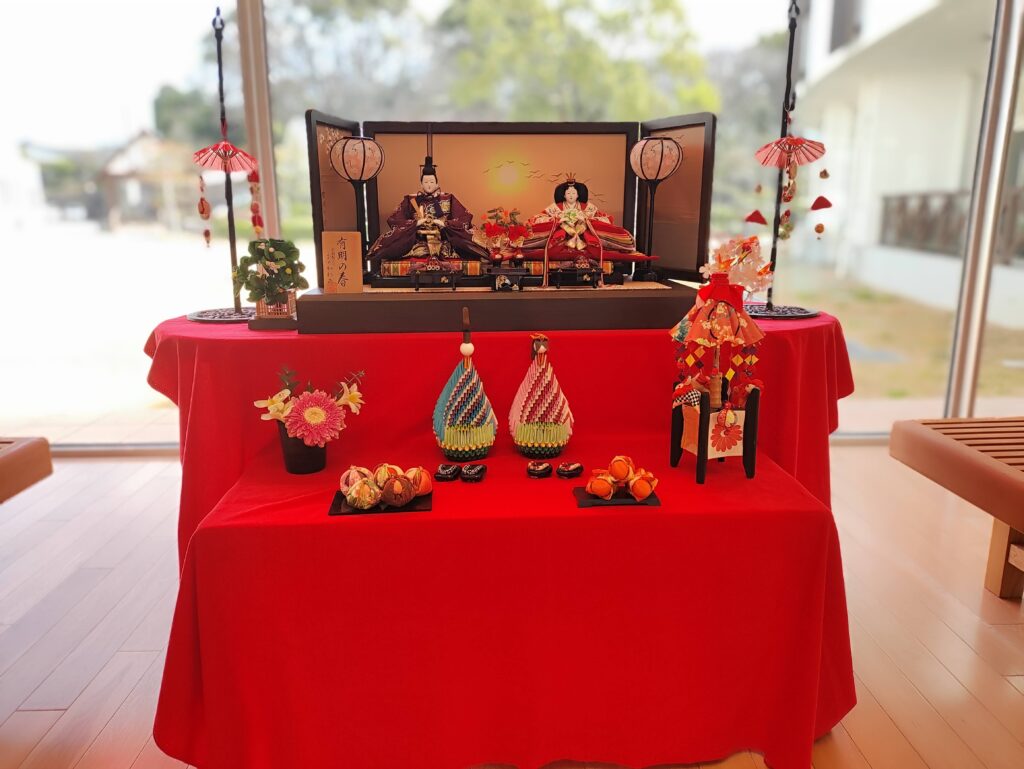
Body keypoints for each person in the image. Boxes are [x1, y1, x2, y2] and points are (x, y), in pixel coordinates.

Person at [368, 156, 490, 270]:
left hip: (445, 241)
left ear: (437, 183)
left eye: (431, 182)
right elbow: (395, 219)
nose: (429, 185)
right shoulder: (411, 200)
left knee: (465, 240)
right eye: (426, 182)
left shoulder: (448, 198)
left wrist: (445, 224)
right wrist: (415, 223)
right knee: (397, 241)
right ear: (421, 184)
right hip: (417, 242)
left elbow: (464, 218)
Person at [521, 176, 639, 267]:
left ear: (578, 195)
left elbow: (606, 219)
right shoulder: (556, 207)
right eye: (568, 193)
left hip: (584, 238)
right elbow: (537, 218)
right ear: (564, 195)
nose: (571, 195)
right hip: (562, 238)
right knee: (550, 232)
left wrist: (587, 220)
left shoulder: (587, 207)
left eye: (573, 193)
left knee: (594, 230)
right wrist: (557, 220)